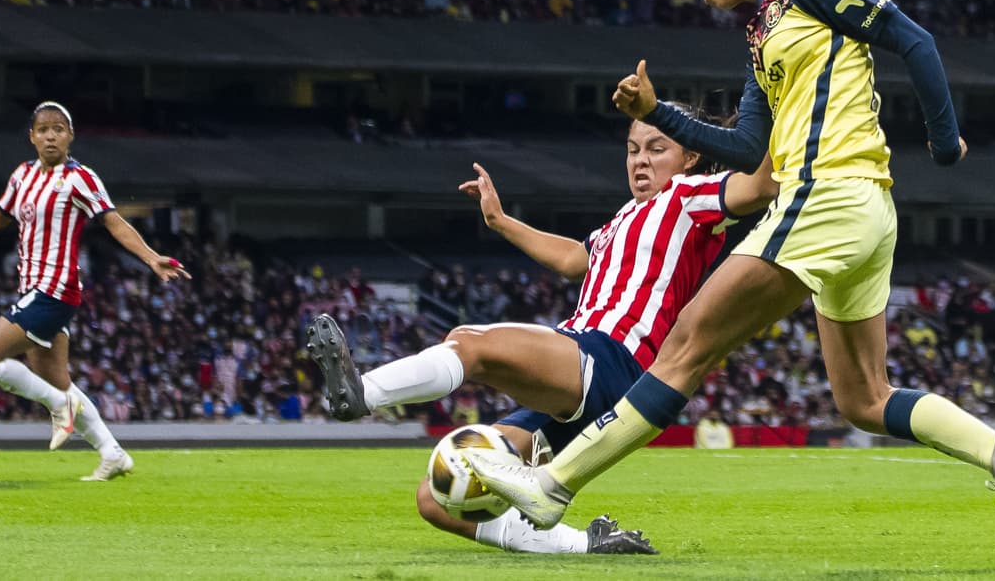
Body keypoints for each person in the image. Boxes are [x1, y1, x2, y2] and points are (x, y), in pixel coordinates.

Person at [465, 0, 995, 555]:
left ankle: (553, 486)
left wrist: (945, 143)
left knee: (687, 343)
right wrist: (657, 113)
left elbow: (913, 40)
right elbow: (747, 151)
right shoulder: (761, 37)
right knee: (863, 399)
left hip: (826, 196)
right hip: (861, 214)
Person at [307, 106, 777, 555]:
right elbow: (576, 258)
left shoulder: (692, 197)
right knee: (436, 496)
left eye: (656, 149)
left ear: (690, 155)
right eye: (633, 149)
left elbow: (759, 187)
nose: (639, 161)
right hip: (584, 379)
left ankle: (361, 394)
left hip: (613, 360)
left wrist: (794, 114)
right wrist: (501, 221)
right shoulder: (624, 218)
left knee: (472, 344)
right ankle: (585, 544)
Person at [0, 101, 190, 480]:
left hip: (55, 289)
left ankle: (58, 407)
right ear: (32, 137)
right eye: (43, 129)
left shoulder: (80, 178)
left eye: (59, 129)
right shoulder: (22, 176)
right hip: (32, 288)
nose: (51, 135)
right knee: (54, 377)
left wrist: (150, 258)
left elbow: (115, 223)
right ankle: (112, 452)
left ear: (70, 136)